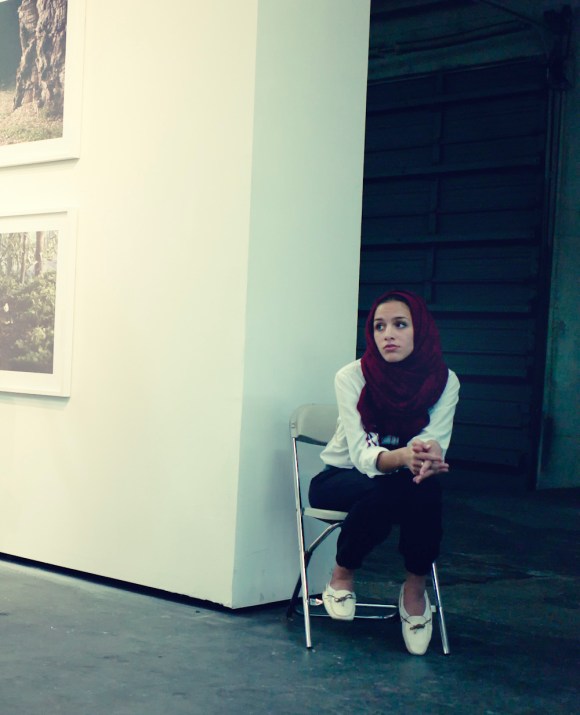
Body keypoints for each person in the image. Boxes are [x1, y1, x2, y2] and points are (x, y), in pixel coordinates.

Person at [308, 289, 460, 655]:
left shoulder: (445, 381)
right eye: (379, 326)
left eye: (400, 324)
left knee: (420, 487)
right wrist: (406, 457)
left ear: (420, 328)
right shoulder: (352, 376)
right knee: (398, 488)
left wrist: (426, 455)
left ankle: (412, 588)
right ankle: (345, 571)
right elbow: (362, 456)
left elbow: (434, 441)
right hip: (340, 479)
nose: (388, 334)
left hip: (401, 483)